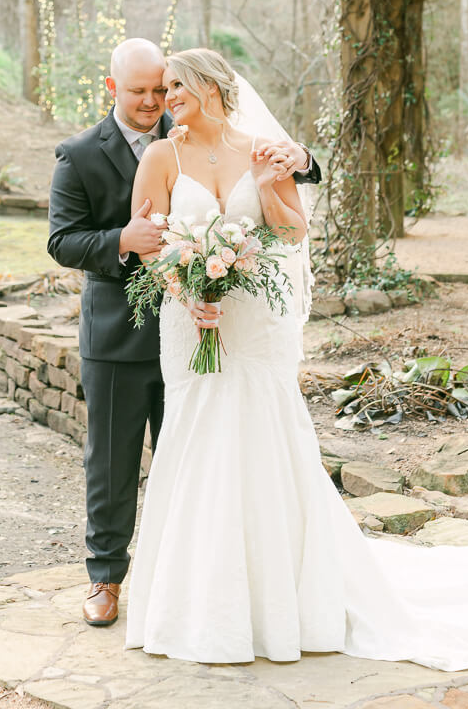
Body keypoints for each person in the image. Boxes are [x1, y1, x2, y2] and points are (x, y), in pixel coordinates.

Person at [124, 47, 468, 670]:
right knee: (199, 439)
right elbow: (150, 241)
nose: (167, 95)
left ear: (211, 87)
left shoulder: (263, 150)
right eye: (165, 86)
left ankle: (285, 602)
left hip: (256, 328)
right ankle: (199, 605)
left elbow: (290, 233)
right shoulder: (160, 156)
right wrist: (185, 293)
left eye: (177, 84)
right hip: (191, 325)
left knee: (266, 441)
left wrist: (265, 188)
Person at [47, 38, 321, 628]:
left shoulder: (203, 132)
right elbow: (63, 241)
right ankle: (105, 578)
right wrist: (122, 241)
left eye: (163, 89)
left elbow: (287, 186)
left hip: (224, 333)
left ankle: (204, 581)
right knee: (113, 463)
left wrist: (296, 158)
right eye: (142, 91)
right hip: (125, 333)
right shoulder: (78, 155)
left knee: (205, 463)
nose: (155, 101)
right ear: (112, 89)